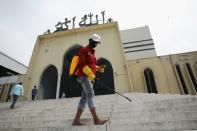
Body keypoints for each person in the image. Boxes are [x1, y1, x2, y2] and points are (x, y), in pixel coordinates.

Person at [72, 34, 108, 125]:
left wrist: (98, 68)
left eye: (97, 43)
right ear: (90, 40)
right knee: (90, 93)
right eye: (95, 42)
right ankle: (96, 120)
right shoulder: (83, 50)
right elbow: (83, 65)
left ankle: (76, 120)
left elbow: (91, 66)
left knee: (84, 98)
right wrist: (92, 76)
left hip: (89, 77)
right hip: (83, 76)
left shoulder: (92, 53)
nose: (96, 44)